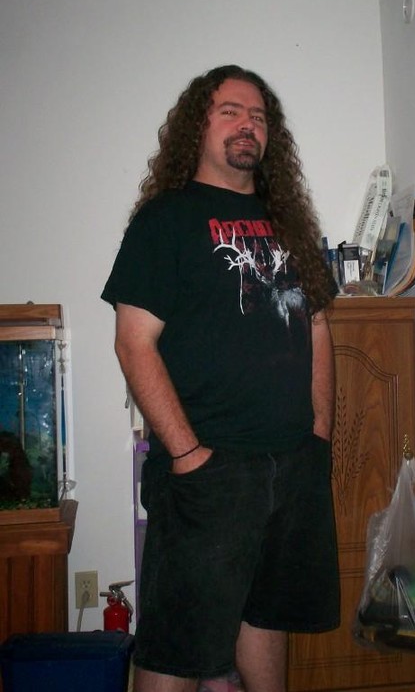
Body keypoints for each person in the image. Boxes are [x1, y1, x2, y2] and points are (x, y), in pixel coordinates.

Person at [101, 64, 340, 692]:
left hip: (291, 463)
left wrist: (318, 434)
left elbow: (318, 327)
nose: (246, 125)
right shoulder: (166, 220)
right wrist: (188, 456)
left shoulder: (289, 223)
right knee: (175, 649)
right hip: (208, 468)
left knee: (266, 617)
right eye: (230, 111)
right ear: (198, 126)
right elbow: (133, 342)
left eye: (258, 116)